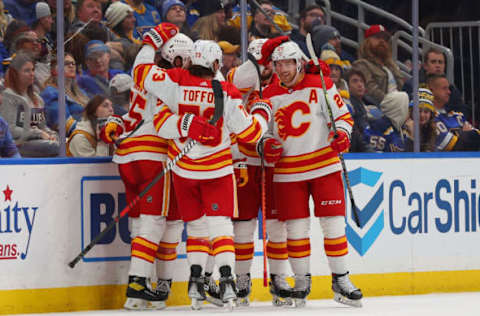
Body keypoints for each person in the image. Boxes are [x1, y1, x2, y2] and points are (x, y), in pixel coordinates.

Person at [122, 23, 272, 309]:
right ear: (215, 63)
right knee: (214, 224)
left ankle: (183, 283)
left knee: (180, 226)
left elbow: (142, 78)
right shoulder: (223, 89)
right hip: (200, 166)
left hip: (175, 166)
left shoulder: (171, 80)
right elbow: (249, 133)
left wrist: (150, 42)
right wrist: (262, 114)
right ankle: (222, 281)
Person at [100, 24, 221, 310]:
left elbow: (138, 77)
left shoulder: (149, 72)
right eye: (188, 59)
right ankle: (140, 283)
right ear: (179, 60)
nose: (192, 64)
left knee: (142, 222)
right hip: (153, 155)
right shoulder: (176, 79)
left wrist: (151, 41)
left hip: (127, 156)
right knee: (158, 222)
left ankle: (139, 296)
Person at [259, 36, 362, 308]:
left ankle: (341, 278)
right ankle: (302, 281)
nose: (282, 69)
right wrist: (265, 144)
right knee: (295, 230)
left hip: (324, 166)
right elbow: (262, 131)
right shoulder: (268, 94)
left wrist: (343, 134)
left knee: (334, 226)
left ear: (300, 63)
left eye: (288, 63)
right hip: (287, 172)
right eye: (278, 64)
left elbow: (343, 117)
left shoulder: (322, 84)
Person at [225, 37, 294, 306]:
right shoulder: (237, 77)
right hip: (242, 162)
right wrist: (257, 61)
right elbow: (240, 80)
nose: (268, 68)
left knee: (278, 226)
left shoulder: (281, 87)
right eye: (264, 63)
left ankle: (279, 277)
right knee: (242, 228)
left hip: (273, 166)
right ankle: (242, 279)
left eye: (272, 63)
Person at [353, 24, 409, 133]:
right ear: (367, 42)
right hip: (381, 106)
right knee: (402, 97)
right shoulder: (361, 65)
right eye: (377, 38)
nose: (382, 41)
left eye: (385, 39)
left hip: (400, 105)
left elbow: (403, 87)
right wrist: (393, 102)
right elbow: (370, 89)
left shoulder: (392, 66)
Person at [0, 53, 59, 157]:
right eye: (27, 71)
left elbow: (42, 125)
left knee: (62, 142)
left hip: (38, 141)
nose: (32, 74)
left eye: (32, 70)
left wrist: (51, 134)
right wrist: (38, 133)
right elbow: (11, 129)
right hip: (18, 144)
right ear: (15, 74)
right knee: (54, 147)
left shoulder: (37, 99)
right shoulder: (8, 97)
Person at [403, 47, 471, 121]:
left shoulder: (450, 88)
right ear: (425, 66)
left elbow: (463, 110)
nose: (438, 65)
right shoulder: (412, 85)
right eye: (433, 62)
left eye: (440, 62)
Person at [427, 74, 480, 151]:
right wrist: (464, 134)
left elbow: (477, 135)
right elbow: (453, 146)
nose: (449, 92)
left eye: (448, 88)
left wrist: (461, 136)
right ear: (432, 91)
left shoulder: (457, 116)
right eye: (444, 88)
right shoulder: (428, 118)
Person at [41, 53, 89, 134]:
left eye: (73, 63)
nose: (71, 66)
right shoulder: (51, 93)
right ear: (54, 70)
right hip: (68, 139)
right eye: (66, 64)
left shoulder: (81, 92)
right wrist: (92, 131)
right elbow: (64, 125)